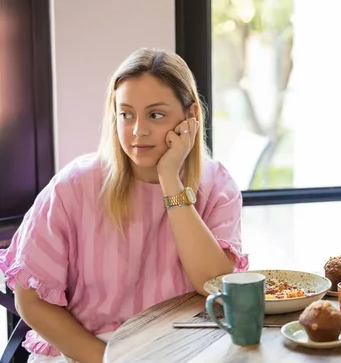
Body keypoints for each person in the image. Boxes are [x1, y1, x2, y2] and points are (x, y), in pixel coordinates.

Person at [0, 48, 248, 362]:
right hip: (88, 352)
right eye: (126, 113)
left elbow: (213, 286)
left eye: (155, 115)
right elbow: (31, 300)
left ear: (191, 117)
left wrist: (170, 179)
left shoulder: (217, 186)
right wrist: (110, 359)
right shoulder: (74, 185)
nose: (137, 130)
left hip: (184, 352)